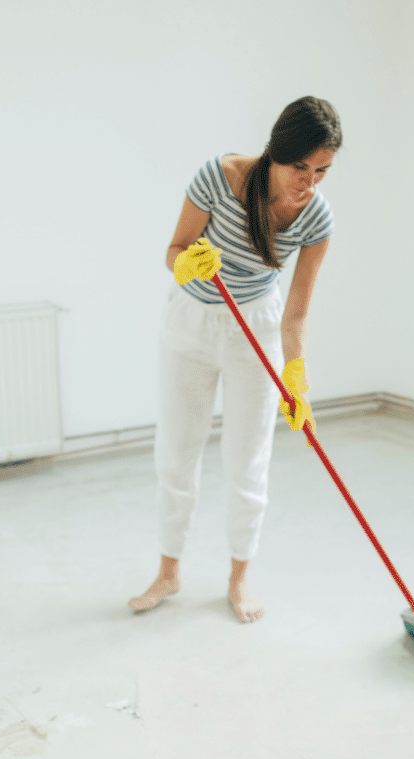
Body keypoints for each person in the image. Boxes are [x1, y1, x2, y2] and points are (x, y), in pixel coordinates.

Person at [130, 97, 341, 623]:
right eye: (300, 168)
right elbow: (173, 250)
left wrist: (297, 379)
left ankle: (239, 577)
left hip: (258, 329)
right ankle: (168, 571)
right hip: (192, 323)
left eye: (322, 172)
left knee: (248, 462)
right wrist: (188, 266)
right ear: (275, 153)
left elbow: (295, 316)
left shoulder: (316, 217)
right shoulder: (219, 177)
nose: (308, 183)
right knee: (177, 455)